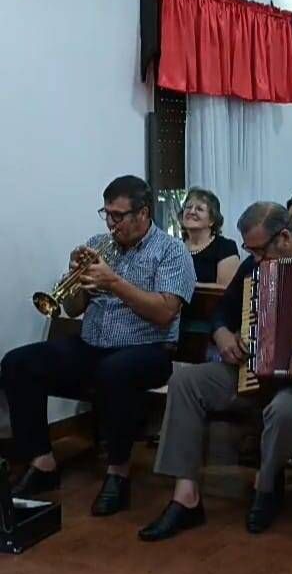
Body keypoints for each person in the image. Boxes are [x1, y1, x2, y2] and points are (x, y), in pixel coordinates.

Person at [138, 202, 292, 541]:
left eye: (260, 250)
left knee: (284, 409)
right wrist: (223, 335)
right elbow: (221, 314)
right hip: (255, 372)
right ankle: (186, 496)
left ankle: (267, 480)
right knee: (185, 381)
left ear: (286, 235)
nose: (256, 259)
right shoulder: (253, 267)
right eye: (250, 249)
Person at [2, 176, 196, 515]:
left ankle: (118, 472)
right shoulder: (98, 244)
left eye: (119, 215)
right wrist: (74, 279)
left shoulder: (171, 251)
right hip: (93, 345)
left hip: (149, 349)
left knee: (115, 372)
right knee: (18, 362)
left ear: (143, 213)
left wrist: (114, 282)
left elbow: (165, 313)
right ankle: (42, 462)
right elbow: (74, 308)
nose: (111, 223)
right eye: (106, 213)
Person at [181, 188, 240, 286]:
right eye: (188, 207)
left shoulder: (225, 247)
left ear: (212, 220)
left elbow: (226, 289)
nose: (191, 212)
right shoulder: (173, 247)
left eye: (199, 209)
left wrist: (187, 286)